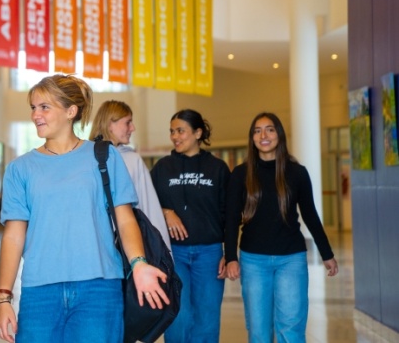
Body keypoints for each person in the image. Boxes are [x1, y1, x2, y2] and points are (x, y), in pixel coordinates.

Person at [0, 74, 169, 343]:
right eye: (33, 107)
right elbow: (14, 235)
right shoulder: (20, 168)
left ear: (70, 111)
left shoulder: (104, 156)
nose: (35, 115)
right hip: (40, 291)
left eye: (44, 107)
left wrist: (139, 264)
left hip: (99, 288)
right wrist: (4, 297)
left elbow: (125, 220)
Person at [225, 112, 338, 342]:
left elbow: (310, 215)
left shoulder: (296, 173)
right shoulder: (240, 174)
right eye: (257, 131)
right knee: (259, 332)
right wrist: (230, 257)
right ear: (252, 138)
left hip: (291, 259)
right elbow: (231, 218)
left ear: (279, 135)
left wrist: (326, 253)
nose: (263, 135)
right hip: (253, 260)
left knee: (291, 330)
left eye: (270, 129)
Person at [150, 109, 231, 343]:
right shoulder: (162, 168)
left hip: (210, 253)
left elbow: (229, 213)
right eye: (172, 131)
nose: (175, 136)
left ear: (198, 133)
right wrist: (166, 212)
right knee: (178, 315)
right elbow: (144, 204)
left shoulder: (218, 168)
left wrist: (230, 253)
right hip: (173, 254)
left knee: (207, 316)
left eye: (181, 131)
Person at [89, 100, 171, 250]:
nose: (132, 128)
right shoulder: (86, 158)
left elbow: (149, 207)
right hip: (96, 246)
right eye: (127, 122)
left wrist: (162, 251)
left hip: (130, 246)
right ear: (110, 124)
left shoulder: (133, 159)